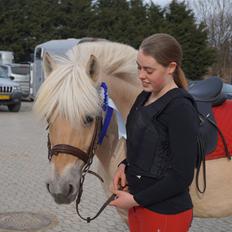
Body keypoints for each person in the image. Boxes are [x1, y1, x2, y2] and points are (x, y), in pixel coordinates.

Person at [110, 33, 199, 232]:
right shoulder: (143, 97)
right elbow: (140, 144)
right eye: (139, 67)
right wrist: (124, 165)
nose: (141, 75)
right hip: (138, 207)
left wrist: (134, 200)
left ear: (171, 68)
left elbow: (181, 176)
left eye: (148, 70)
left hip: (165, 213)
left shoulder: (180, 108)